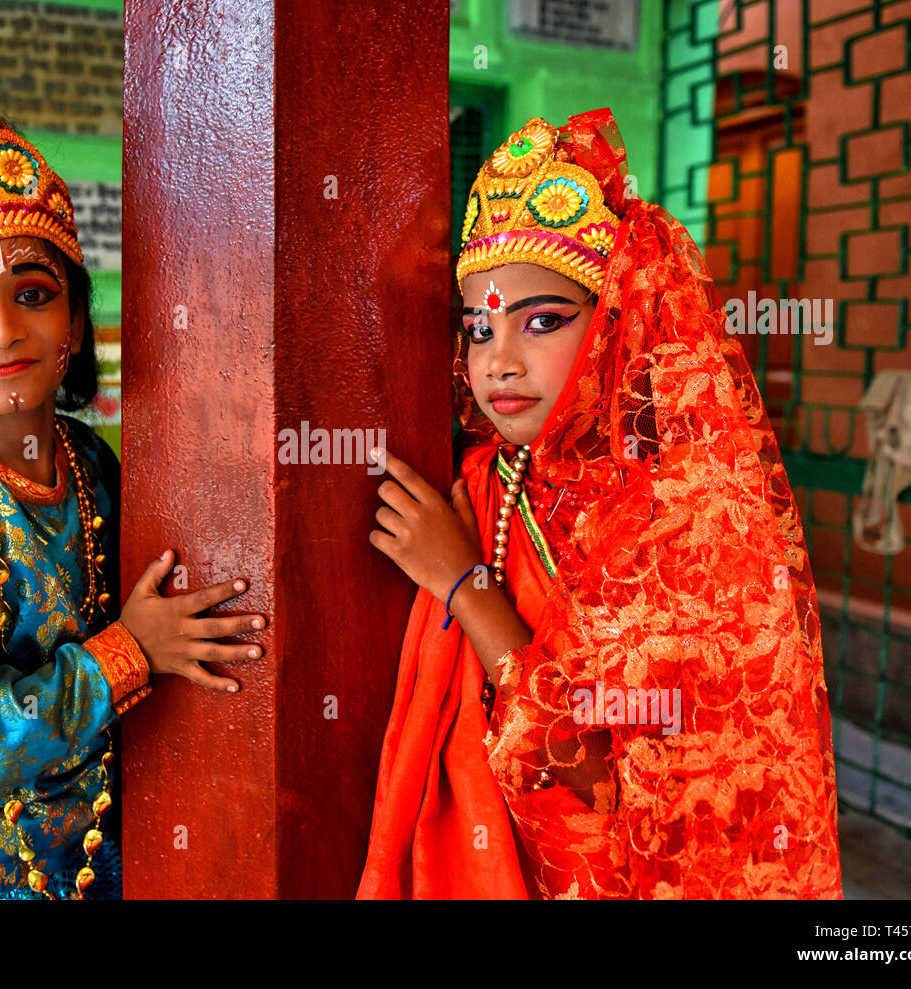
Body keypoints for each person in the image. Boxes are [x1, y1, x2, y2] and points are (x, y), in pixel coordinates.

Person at [358, 109, 842, 899]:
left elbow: (605, 775)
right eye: (479, 330)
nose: (499, 361)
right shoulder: (491, 481)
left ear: (617, 324)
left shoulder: (683, 517)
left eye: (542, 321)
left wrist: (465, 586)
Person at [0, 60, 265, 900]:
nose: (1, 328)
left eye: (33, 291)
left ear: (74, 322)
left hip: (118, 863)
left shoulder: (93, 466)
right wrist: (127, 655)